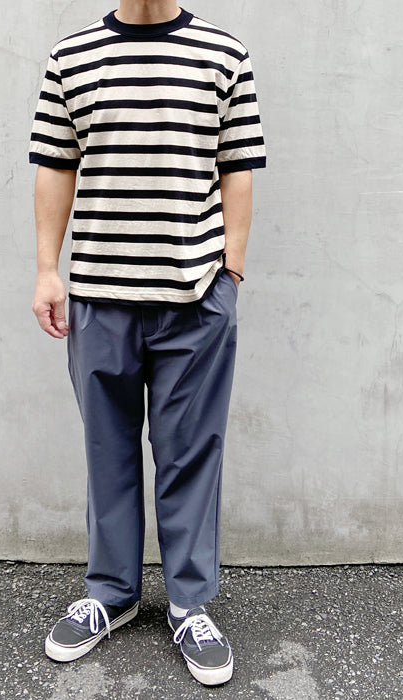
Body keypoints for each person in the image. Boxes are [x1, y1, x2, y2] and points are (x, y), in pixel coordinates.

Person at [29, 0, 265, 686]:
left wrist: (231, 273)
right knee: (107, 451)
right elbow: (55, 163)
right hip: (99, 297)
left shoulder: (224, 55)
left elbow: (238, 165)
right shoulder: (71, 57)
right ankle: (112, 593)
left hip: (193, 298)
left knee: (190, 454)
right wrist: (47, 269)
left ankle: (189, 603)